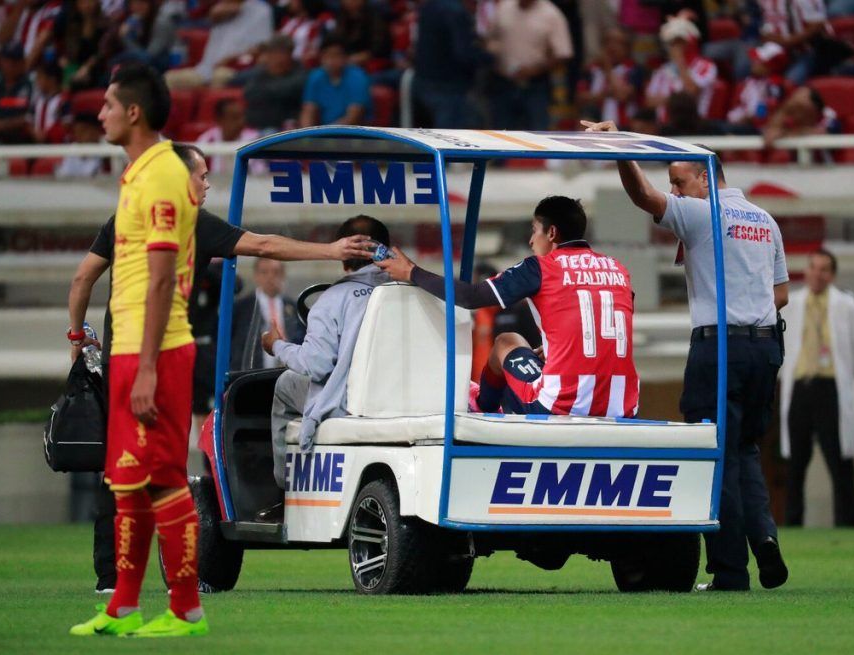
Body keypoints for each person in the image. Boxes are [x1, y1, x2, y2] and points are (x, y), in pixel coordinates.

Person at [66, 141, 373, 597]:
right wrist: (332, 251)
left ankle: (110, 580)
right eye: (201, 176)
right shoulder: (192, 223)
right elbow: (265, 244)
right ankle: (181, 575)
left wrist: (77, 339)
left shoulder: (123, 220)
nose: (207, 184)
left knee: (120, 473)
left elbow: (82, 278)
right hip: (165, 361)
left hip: (121, 363)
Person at [583, 119, 790, 593]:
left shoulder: (703, 213)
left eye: (680, 181)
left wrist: (620, 149)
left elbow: (644, 199)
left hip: (720, 347)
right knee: (745, 451)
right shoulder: (764, 219)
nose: (675, 190)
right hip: (765, 347)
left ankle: (730, 571)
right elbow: (780, 294)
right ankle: (765, 538)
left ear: (705, 176)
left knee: (715, 455)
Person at [67, 63, 205, 637]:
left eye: (106, 104)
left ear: (133, 112)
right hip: (127, 347)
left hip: (160, 350)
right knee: (126, 480)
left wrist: (146, 365)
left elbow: (158, 275)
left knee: (165, 478)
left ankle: (186, 609)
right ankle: (124, 604)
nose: (97, 113)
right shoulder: (136, 175)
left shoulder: (163, 175)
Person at [379, 195, 640, 420]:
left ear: (551, 233)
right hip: (624, 407)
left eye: (534, 230)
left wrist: (411, 271)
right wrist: (559, 348)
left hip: (561, 406)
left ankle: (481, 405)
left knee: (506, 341)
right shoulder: (619, 269)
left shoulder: (541, 267)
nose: (530, 240)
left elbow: (470, 297)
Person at [263, 215, 392, 521]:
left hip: (351, 400)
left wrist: (277, 346)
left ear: (342, 255)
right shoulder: (411, 291)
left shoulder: (332, 299)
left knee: (285, 385)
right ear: (387, 251)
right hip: (399, 397)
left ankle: (284, 489)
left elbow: (316, 365)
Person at [780, 248, 854, 528]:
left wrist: (838, 376)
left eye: (824, 269)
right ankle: (793, 522)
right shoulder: (792, 303)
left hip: (830, 388)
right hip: (800, 387)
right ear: (806, 271)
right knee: (795, 462)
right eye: (813, 268)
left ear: (832, 275)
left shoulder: (846, 305)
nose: (817, 274)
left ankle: (848, 523)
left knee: (839, 459)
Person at [485, 0, 574, 131]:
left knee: (535, 133)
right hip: (503, 83)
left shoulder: (551, 14)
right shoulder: (504, 7)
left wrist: (534, 70)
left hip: (534, 86)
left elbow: (563, 53)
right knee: (499, 133)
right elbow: (490, 38)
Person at [413, 0, 490, 128]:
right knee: (451, 134)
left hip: (425, 80)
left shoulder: (430, 6)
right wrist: (491, 58)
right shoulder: (455, 11)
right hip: (449, 85)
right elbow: (464, 52)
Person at [164, 0, 273, 89]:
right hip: (205, 69)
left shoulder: (261, 10)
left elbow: (261, 47)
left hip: (236, 68)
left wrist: (229, 59)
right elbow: (205, 13)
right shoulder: (221, 10)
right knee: (168, 78)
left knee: (219, 76)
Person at [230, 258, 304, 371]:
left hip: (287, 375)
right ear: (256, 275)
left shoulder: (294, 307)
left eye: (276, 272)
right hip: (250, 375)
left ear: (283, 275)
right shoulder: (241, 307)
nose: (270, 277)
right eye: (264, 272)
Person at [644, 16, 717, 123]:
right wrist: (674, 101)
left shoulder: (706, 66)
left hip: (694, 126)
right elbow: (649, 101)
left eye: (679, 42)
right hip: (664, 127)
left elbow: (691, 93)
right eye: (672, 43)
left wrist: (680, 62)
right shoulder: (663, 70)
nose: (675, 47)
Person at [236, 34, 308, 134]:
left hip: (283, 130)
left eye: (281, 53)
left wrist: (267, 91)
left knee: (268, 133)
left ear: (290, 54)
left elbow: (284, 91)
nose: (277, 57)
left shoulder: (301, 75)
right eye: (272, 53)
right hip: (253, 129)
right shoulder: (260, 73)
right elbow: (249, 93)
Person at [299, 37, 370, 127]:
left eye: (336, 55)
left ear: (345, 58)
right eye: (327, 55)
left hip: (354, 135)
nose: (330, 60)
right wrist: (307, 134)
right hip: (324, 133)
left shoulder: (358, 77)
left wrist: (326, 133)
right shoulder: (316, 76)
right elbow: (308, 111)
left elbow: (353, 117)